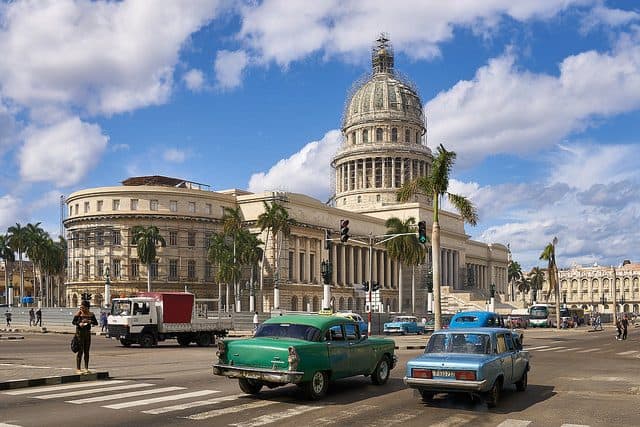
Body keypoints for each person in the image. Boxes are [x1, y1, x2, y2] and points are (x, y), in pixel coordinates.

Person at [72, 300, 98, 374]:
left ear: (87, 308)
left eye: (83, 307)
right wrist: (79, 323)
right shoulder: (78, 314)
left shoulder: (91, 314)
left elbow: (96, 323)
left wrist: (90, 322)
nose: (81, 309)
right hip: (79, 334)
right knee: (80, 351)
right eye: (81, 307)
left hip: (87, 334)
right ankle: (78, 369)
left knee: (87, 351)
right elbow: (73, 322)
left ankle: (86, 368)